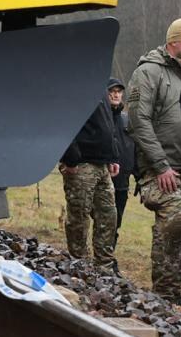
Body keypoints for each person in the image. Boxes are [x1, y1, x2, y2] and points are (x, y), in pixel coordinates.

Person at [126, 18, 181, 300]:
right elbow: (138, 121)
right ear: (173, 42)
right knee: (173, 225)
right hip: (161, 168)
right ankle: (163, 295)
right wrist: (160, 165)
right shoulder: (149, 72)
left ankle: (175, 293)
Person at [59, 80, 122, 268]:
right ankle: (79, 264)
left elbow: (107, 124)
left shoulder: (98, 84)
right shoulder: (73, 84)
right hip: (81, 163)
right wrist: (70, 158)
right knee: (79, 215)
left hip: (102, 164)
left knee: (108, 214)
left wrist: (113, 156)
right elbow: (62, 121)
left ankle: (104, 264)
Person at [107, 78, 137, 229]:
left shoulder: (127, 120)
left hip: (122, 181)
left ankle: (109, 250)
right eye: (111, 92)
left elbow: (135, 149)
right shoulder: (99, 117)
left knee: (116, 223)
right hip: (101, 177)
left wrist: (139, 177)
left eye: (118, 92)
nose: (116, 95)